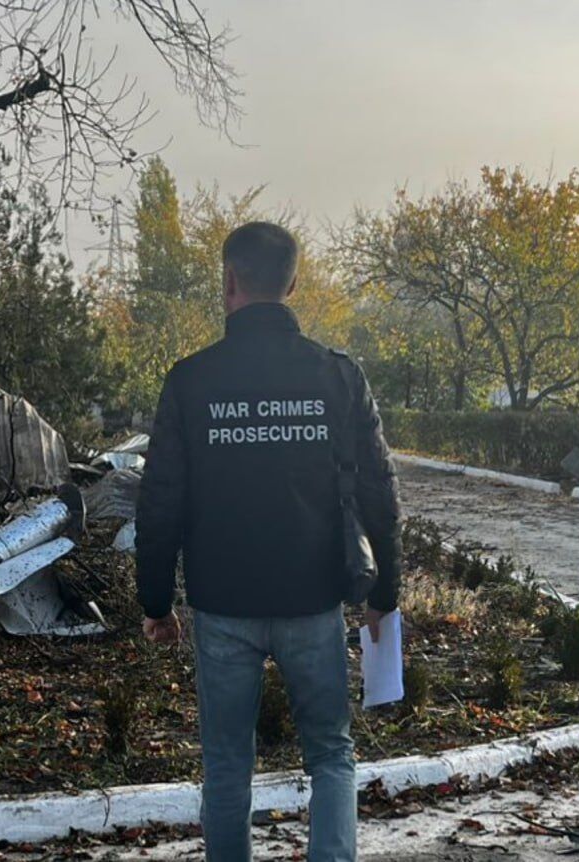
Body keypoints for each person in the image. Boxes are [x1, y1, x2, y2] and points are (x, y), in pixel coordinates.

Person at [134, 221, 402, 862]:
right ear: (293, 283)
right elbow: (378, 493)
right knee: (332, 753)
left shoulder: (191, 381)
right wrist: (383, 595)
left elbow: (160, 500)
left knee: (227, 764)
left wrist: (154, 605)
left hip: (222, 606)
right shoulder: (338, 377)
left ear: (228, 280)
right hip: (313, 601)